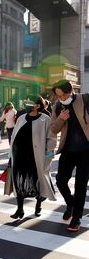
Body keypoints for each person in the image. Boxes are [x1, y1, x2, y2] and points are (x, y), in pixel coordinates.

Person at [9, 96, 57, 219]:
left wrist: (49, 157)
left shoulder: (45, 119)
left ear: (37, 106)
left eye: (30, 103)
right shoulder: (21, 118)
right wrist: (10, 156)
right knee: (19, 182)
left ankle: (38, 206)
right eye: (26, 102)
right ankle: (20, 209)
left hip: (36, 157)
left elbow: (51, 140)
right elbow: (14, 136)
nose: (27, 105)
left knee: (38, 182)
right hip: (19, 156)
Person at [51, 79, 89, 232]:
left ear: (70, 91)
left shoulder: (85, 99)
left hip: (86, 150)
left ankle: (76, 217)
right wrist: (61, 118)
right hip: (68, 149)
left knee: (81, 184)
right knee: (60, 181)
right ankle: (71, 203)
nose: (61, 98)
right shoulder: (58, 106)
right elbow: (54, 129)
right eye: (58, 96)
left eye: (63, 95)